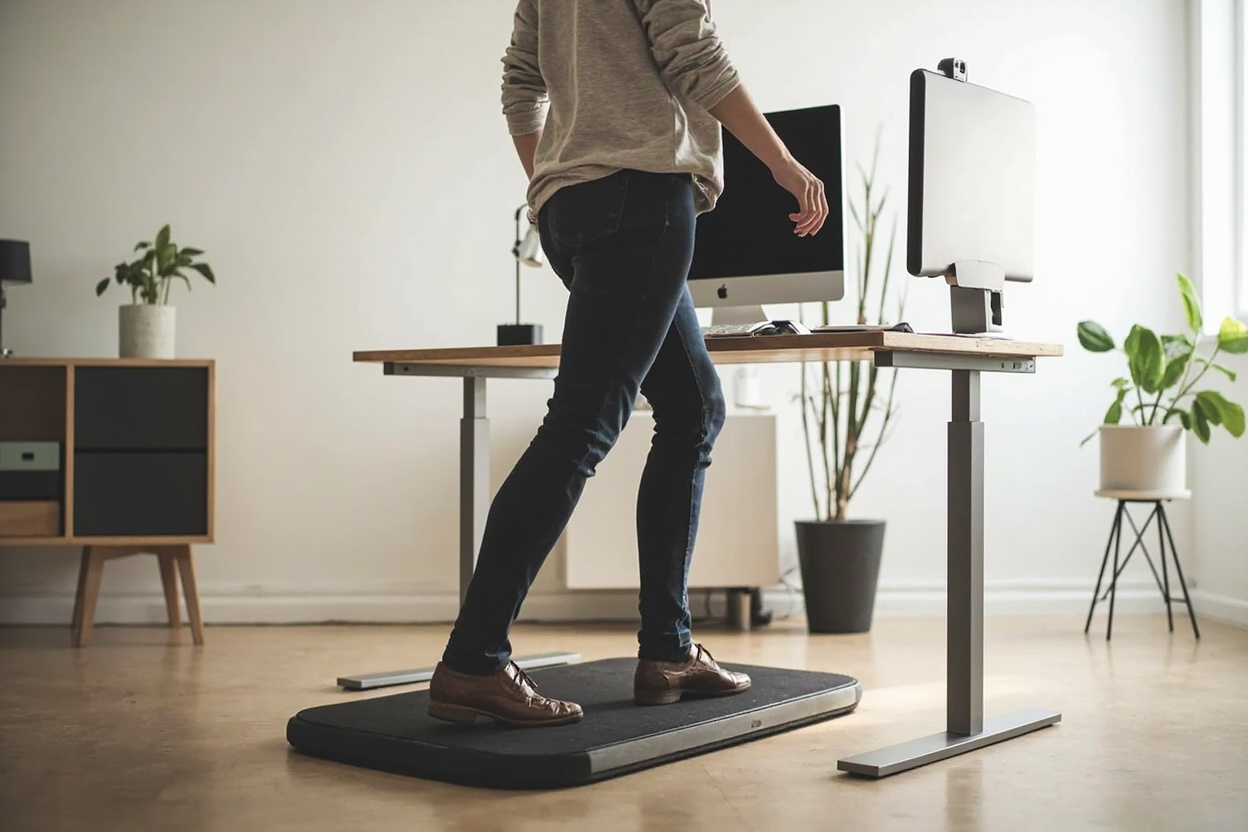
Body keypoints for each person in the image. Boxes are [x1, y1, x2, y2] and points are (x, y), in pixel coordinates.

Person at [427, 0, 828, 728]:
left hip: (571, 212)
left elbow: (521, 83)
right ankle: (473, 661)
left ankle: (669, 650)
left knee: (695, 408)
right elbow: (695, 55)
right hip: (641, 198)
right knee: (581, 425)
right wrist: (784, 163)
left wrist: (555, 176)